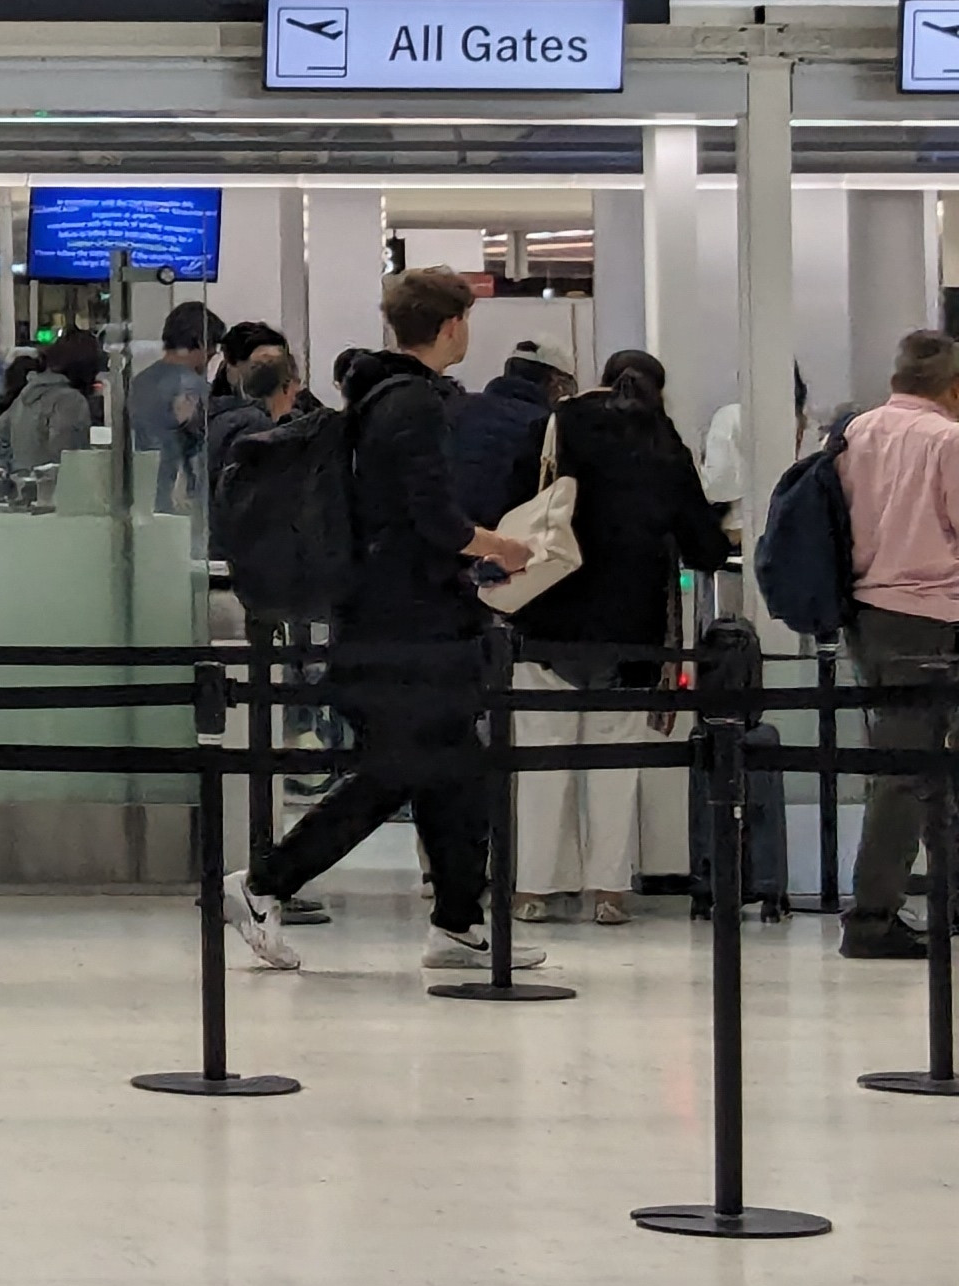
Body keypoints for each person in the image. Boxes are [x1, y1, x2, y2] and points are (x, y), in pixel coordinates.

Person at [226, 270, 550, 974]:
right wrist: (502, 547)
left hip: (392, 615)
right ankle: (264, 883)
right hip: (407, 625)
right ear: (453, 324)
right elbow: (433, 520)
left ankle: (459, 922)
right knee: (398, 771)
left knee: (454, 770)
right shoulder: (415, 405)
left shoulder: (379, 396)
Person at [509, 349, 730, 926]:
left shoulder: (555, 425)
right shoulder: (664, 441)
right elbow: (703, 544)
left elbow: (517, 504)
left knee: (541, 756)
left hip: (549, 616)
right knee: (614, 762)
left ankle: (534, 888)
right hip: (633, 628)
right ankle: (607, 890)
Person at [835, 332, 959, 960]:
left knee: (898, 764)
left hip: (870, 615)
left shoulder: (858, 432)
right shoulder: (947, 440)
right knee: (911, 772)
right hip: (934, 616)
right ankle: (873, 917)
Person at [443, 338, 573, 530]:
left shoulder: (457, 408)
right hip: (507, 545)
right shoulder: (547, 426)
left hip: (448, 534)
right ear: (557, 382)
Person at [0, 329, 103, 505]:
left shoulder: (26, 395)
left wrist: (19, 471)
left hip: (25, 498)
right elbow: (67, 456)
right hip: (58, 500)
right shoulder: (70, 401)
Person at [128, 304, 219, 512]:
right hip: (178, 501)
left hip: (141, 494)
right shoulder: (194, 387)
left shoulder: (138, 382)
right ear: (201, 343)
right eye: (213, 349)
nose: (213, 356)